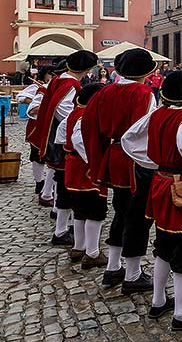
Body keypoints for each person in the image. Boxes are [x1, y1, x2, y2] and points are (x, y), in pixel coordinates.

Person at [122, 70, 182, 331]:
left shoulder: (156, 114)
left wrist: (155, 161)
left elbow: (129, 139)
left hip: (160, 182)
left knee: (164, 244)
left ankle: (158, 300)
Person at [81, 48, 158, 291]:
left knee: (120, 211)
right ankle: (133, 274)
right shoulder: (144, 93)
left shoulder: (104, 92)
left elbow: (88, 126)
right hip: (135, 160)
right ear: (145, 72)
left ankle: (113, 267)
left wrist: (98, 157)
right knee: (138, 217)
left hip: (113, 156)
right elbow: (146, 131)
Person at [33, 50, 98, 247]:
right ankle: (60, 231)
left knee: (62, 184)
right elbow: (65, 112)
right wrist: (82, 124)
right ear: (86, 69)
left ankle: (60, 221)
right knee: (66, 187)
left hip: (55, 136)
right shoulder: (71, 84)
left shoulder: (58, 80)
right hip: (63, 140)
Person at [58, 82, 107, 269]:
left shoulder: (73, 113)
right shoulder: (86, 115)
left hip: (72, 165)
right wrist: (93, 160)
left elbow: (62, 135)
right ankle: (92, 252)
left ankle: (79, 247)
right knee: (95, 209)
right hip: (86, 167)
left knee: (79, 208)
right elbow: (78, 139)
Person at [18, 65, 55, 200]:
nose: (52, 76)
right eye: (49, 74)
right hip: (37, 125)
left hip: (52, 126)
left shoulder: (57, 87)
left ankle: (50, 186)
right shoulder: (38, 88)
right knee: (36, 155)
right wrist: (41, 102)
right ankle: (39, 182)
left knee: (52, 156)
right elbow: (23, 99)